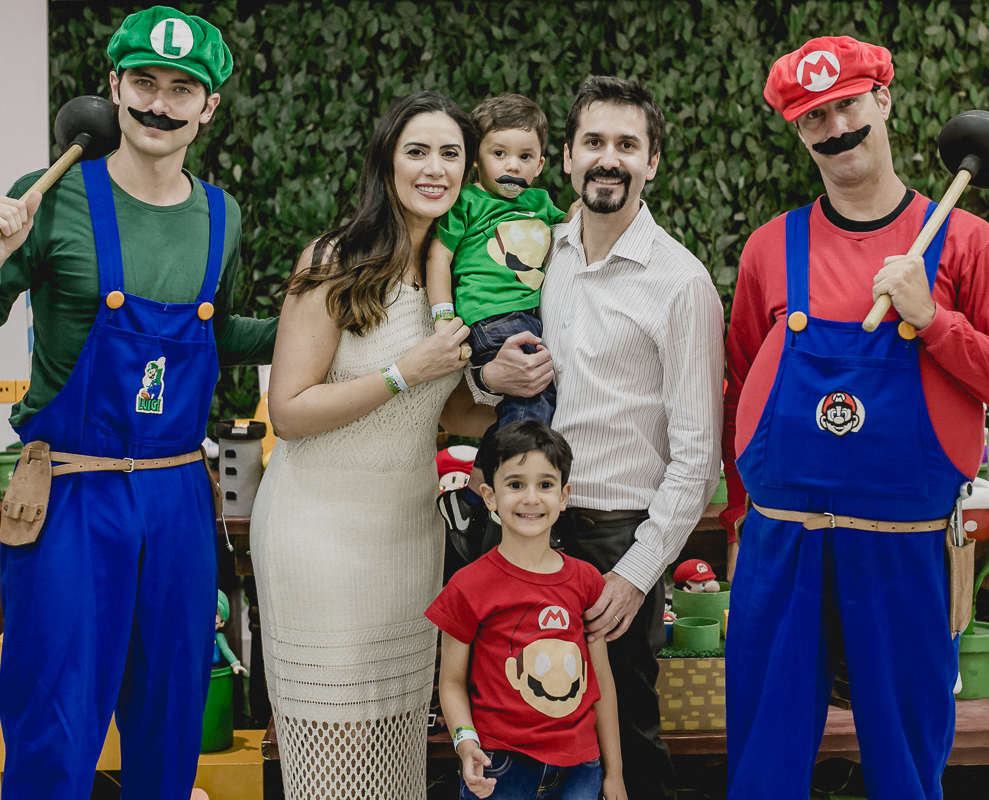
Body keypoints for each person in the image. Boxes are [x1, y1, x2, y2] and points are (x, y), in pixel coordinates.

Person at [0, 7, 276, 798]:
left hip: (177, 494)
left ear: (209, 106)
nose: (160, 104)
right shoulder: (49, 198)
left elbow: (217, 333)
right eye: (144, 83)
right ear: (115, 87)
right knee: (54, 718)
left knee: (171, 712)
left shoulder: (222, 217)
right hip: (70, 494)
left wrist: (325, 315)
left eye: (181, 89)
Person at [720, 35, 989, 800]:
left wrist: (934, 320)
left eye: (847, 106)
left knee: (906, 767)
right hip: (782, 542)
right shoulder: (771, 248)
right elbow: (740, 391)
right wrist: (741, 524)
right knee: (762, 768)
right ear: (799, 134)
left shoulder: (964, 241)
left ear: (885, 100)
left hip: (904, 552)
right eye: (813, 119)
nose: (835, 129)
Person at [476, 76, 723, 800]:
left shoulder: (680, 283)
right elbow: (497, 376)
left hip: (617, 534)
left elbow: (697, 455)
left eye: (627, 144)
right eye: (594, 143)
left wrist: (636, 572)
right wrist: (490, 379)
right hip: (526, 523)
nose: (608, 159)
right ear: (568, 158)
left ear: (653, 163)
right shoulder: (536, 253)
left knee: (626, 725)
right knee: (524, 717)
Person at [249, 91, 496, 799]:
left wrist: (506, 394)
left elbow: (442, 409)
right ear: (386, 162)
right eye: (417, 151)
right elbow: (289, 410)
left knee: (394, 751)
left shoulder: (460, 277)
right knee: (335, 750)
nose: (434, 168)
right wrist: (402, 371)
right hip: (319, 533)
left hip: (406, 537)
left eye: (450, 153)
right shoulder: (335, 260)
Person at [428, 421, 626, 800]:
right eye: (516, 484)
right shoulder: (467, 586)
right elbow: (451, 681)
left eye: (546, 485)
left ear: (564, 495)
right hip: (499, 767)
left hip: (580, 770)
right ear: (489, 495)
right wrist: (465, 743)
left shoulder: (586, 582)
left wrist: (613, 773)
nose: (531, 498)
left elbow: (602, 682)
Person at [428, 94, 565, 555]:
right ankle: (511, 495)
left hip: (531, 319)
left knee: (524, 407)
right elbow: (440, 255)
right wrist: (443, 315)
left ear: (541, 163)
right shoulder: (467, 202)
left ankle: (471, 498)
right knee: (532, 402)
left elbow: (573, 226)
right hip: (491, 320)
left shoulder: (540, 203)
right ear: (476, 160)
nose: (512, 165)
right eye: (499, 153)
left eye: (524, 156)